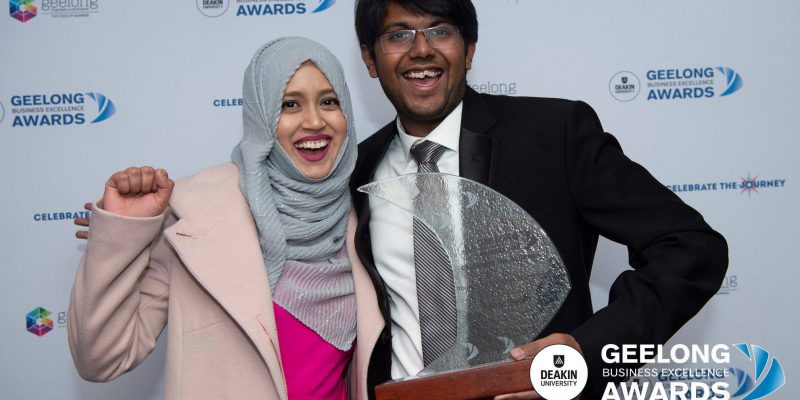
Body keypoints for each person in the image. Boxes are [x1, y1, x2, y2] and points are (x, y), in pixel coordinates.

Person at [349, 1, 728, 398]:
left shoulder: (554, 136)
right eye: (399, 35)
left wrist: (588, 352)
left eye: (440, 30)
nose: (422, 49)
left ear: (469, 50)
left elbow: (692, 247)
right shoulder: (355, 172)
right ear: (370, 58)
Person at [67, 37, 384, 400]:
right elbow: (100, 360)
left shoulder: (364, 213)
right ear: (261, 114)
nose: (314, 121)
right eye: (289, 104)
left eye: (329, 101)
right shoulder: (192, 217)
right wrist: (123, 232)